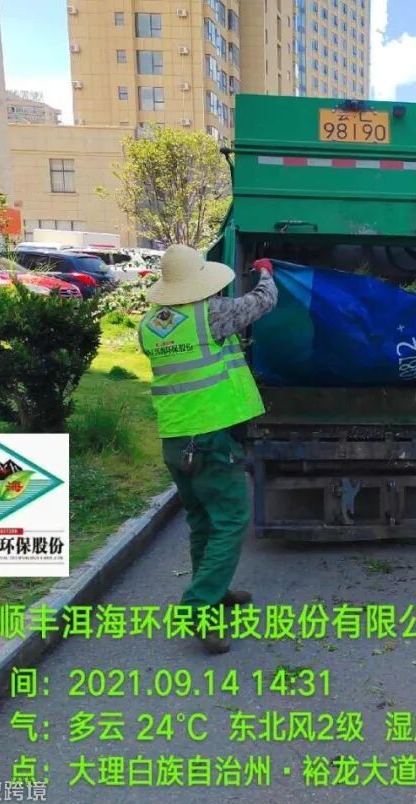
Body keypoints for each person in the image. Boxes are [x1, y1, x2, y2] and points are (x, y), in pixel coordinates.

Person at [139, 245, 278, 653]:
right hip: (210, 438)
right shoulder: (211, 315)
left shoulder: (148, 325)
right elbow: (263, 302)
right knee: (232, 520)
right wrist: (266, 272)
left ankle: (214, 591)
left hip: (175, 439)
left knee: (202, 521)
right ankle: (199, 608)